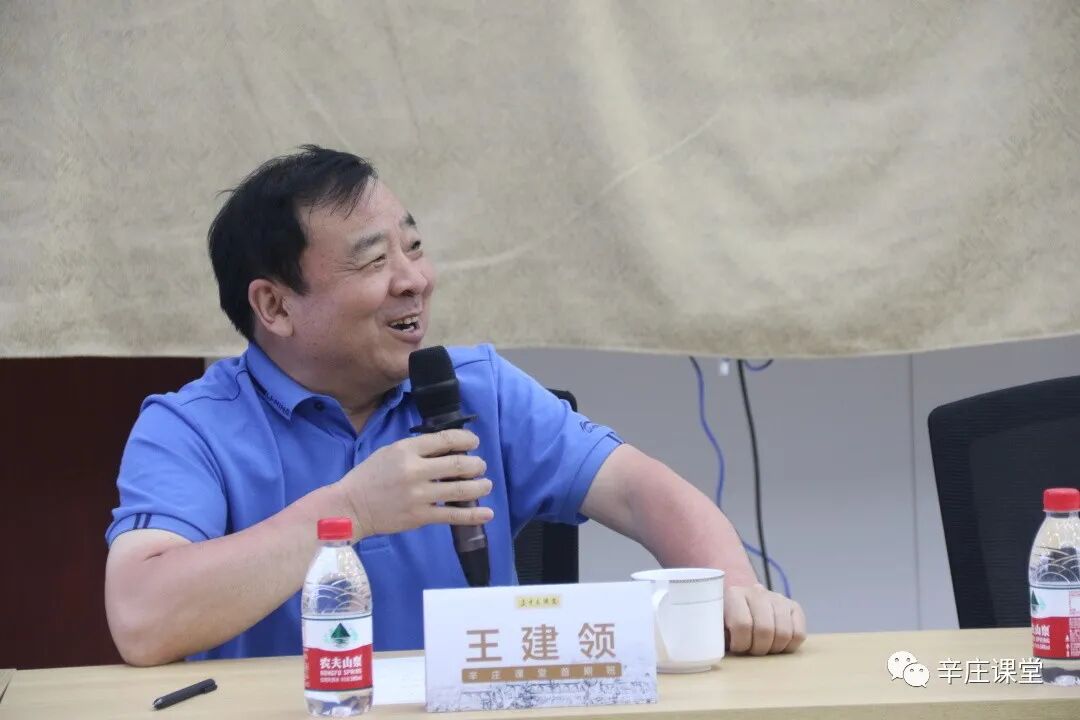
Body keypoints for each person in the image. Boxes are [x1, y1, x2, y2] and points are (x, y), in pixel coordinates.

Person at [104, 146, 806, 666]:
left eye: (414, 249)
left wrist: (736, 592)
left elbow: (639, 491)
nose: (414, 280)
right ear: (275, 306)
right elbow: (141, 618)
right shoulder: (190, 427)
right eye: (373, 261)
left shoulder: (476, 388)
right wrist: (352, 509)